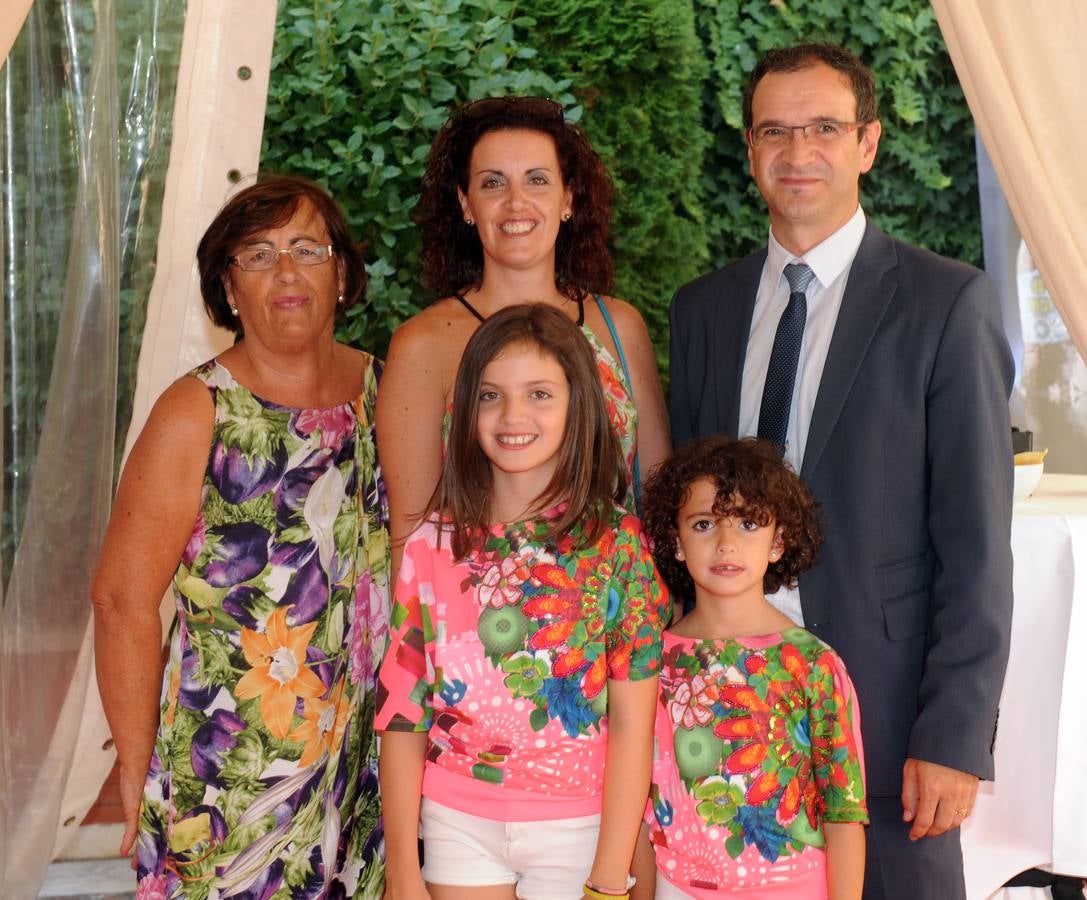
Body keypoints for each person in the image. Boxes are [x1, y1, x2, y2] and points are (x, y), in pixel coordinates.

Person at [668, 43, 1014, 899]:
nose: (797, 153)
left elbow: (976, 545)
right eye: (774, 131)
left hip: (886, 705)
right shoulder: (702, 310)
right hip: (722, 696)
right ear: (748, 149)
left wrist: (953, 736)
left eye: (823, 128)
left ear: (866, 143)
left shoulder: (947, 303)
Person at [91, 175, 389, 898]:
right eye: (256, 255)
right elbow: (121, 601)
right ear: (228, 288)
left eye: (304, 249)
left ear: (341, 273)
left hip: (364, 774)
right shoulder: (197, 411)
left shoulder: (386, 393)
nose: (284, 272)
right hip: (229, 785)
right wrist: (138, 768)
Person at [375, 304, 669, 900]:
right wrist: (403, 869)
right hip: (457, 821)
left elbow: (637, 721)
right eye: (491, 395)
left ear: (577, 407)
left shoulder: (620, 547)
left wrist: (612, 872)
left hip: (581, 826)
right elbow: (404, 714)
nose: (513, 416)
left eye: (539, 393)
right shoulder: (431, 544)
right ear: (465, 410)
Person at [376, 95, 669, 572]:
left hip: (616, 620)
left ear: (568, 198)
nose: (516, 202)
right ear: (466, 204)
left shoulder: (620, 327)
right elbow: (409, 539)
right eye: (493, 183)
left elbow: (656, 499)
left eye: (537, 179)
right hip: (480, 629)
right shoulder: (423, 345)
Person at [632, 436, 867, 899]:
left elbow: (844, 814)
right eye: (703, 524)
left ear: (778, 541)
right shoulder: (649, 664)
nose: (726, 543)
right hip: (675, 886)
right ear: (675, 542)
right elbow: (638, 805)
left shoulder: (814, 665)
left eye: (747, 523)